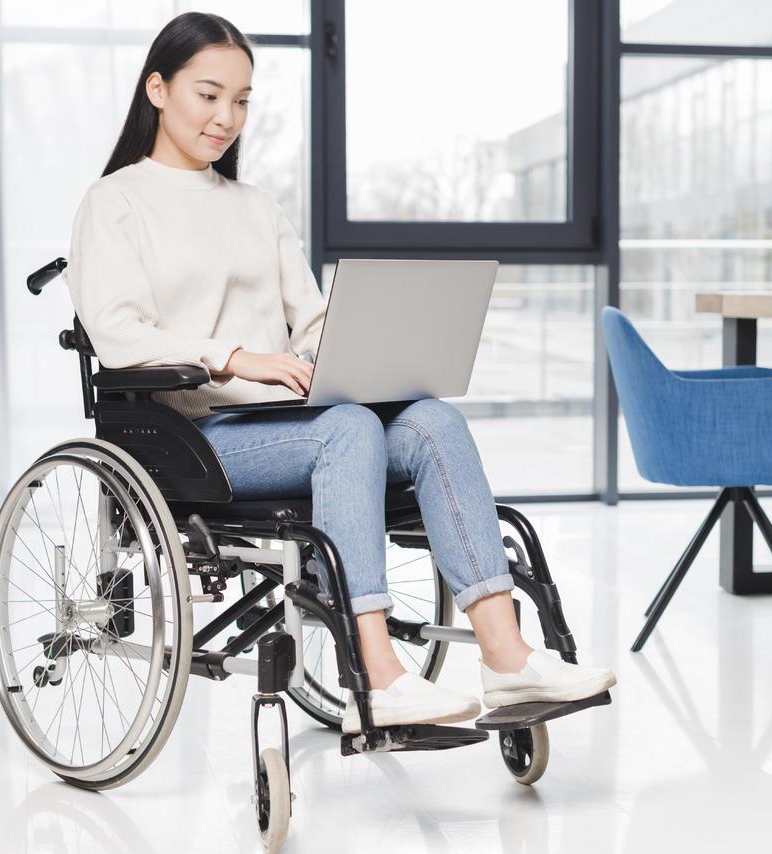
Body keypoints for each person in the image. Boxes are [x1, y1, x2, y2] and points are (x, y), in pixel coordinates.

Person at [65, 11, 615, 733]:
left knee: (433, 420)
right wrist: (234, 357)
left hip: (292, 419)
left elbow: (312, 316)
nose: (226, 116)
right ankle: (379, 674)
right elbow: (118, 332)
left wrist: (342, 355)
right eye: (209, 94)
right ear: (158, 90)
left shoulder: (255, 207)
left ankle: (507, 659)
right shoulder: (116, 202)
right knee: (349, 430)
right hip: (192, 431)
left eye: (242, 100)